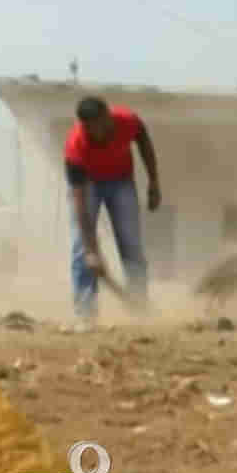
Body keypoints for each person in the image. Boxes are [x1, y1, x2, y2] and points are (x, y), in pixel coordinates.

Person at [64, 96, 162, 331]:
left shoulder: (127, 120)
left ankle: (139, 307)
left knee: (131, 246)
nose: (97, 132)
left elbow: (144, 143)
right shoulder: (76, 146)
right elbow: (79, 202)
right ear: (84, 126)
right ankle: (86, 314)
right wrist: (91, 250)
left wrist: (154, 182)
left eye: (100, 124)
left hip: (121, 183)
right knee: (81, 251)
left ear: (108, 117)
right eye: (91, 128)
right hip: (88, 186)